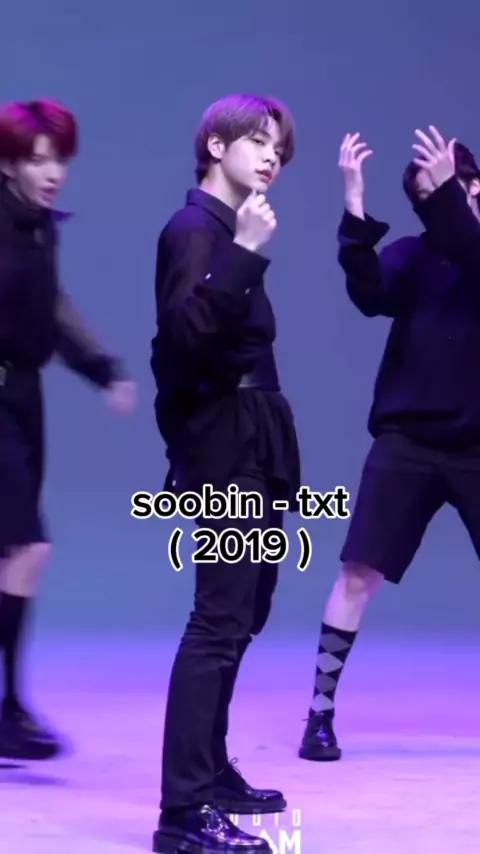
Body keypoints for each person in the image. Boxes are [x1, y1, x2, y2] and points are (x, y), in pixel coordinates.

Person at [299, 126, 480, 763]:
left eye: (445, 188)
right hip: (407, 440)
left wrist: (448, 194)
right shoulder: (413, 255)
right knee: (357, 572)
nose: (434, 203)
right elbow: (370, 293)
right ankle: (319, 716)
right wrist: (354, 207)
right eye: (424, 195)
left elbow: (470, 248)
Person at [150, 93, 300, 853]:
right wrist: (242, 252)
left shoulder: (228, 227)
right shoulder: (194, 229)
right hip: (225, 446)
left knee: (243, 612)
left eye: (279, 147)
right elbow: (182, 343)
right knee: (218, 619)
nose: (272, 155)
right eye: (258, 140)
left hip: (252, 439)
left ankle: (207, 771)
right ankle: (181, 814)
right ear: (216, 143)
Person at [0, 98, 136, 761]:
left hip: (23, 397)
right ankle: (9, 709)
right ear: (8, 163)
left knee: (13, 551)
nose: (53, 173)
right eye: (37, 160)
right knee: (27, 546)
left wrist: (102, 368)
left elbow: (51, 309)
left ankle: (9, 708)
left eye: (60, 160)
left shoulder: (40, 227)